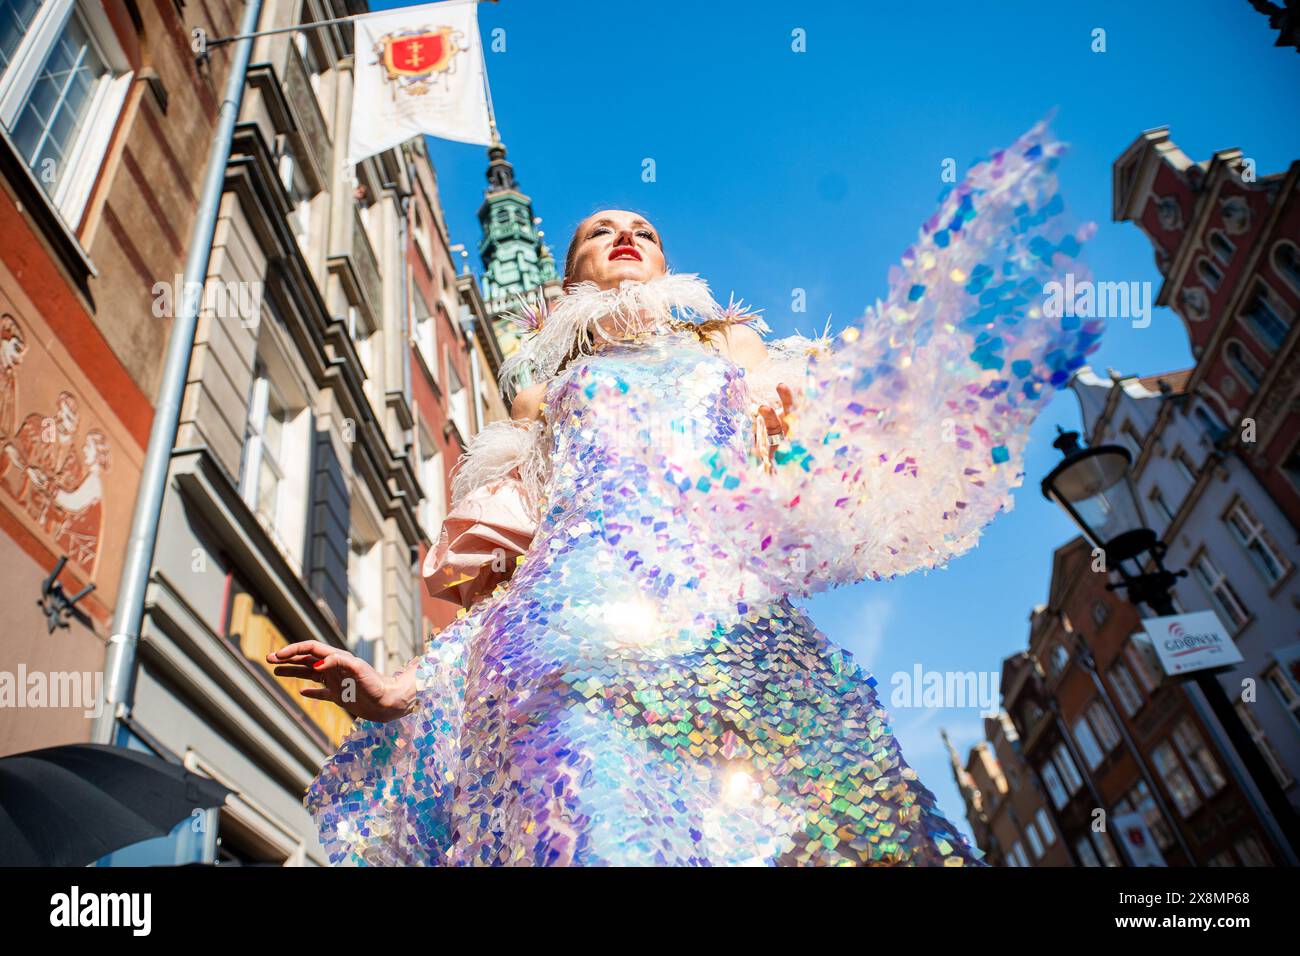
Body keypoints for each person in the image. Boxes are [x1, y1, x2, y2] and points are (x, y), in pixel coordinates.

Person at [272, 119, 1099, 866]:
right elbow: (511, 571)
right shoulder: (545, 389)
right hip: (571, 633)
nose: (625, 235)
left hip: (728, 632)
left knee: (821, 834)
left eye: (643, 229)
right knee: (598, 830)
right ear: (573, 275)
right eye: (601, 232)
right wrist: (398, 690)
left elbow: (805, 428)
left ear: (666, 261)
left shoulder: (729, 341)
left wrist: (870, 380)